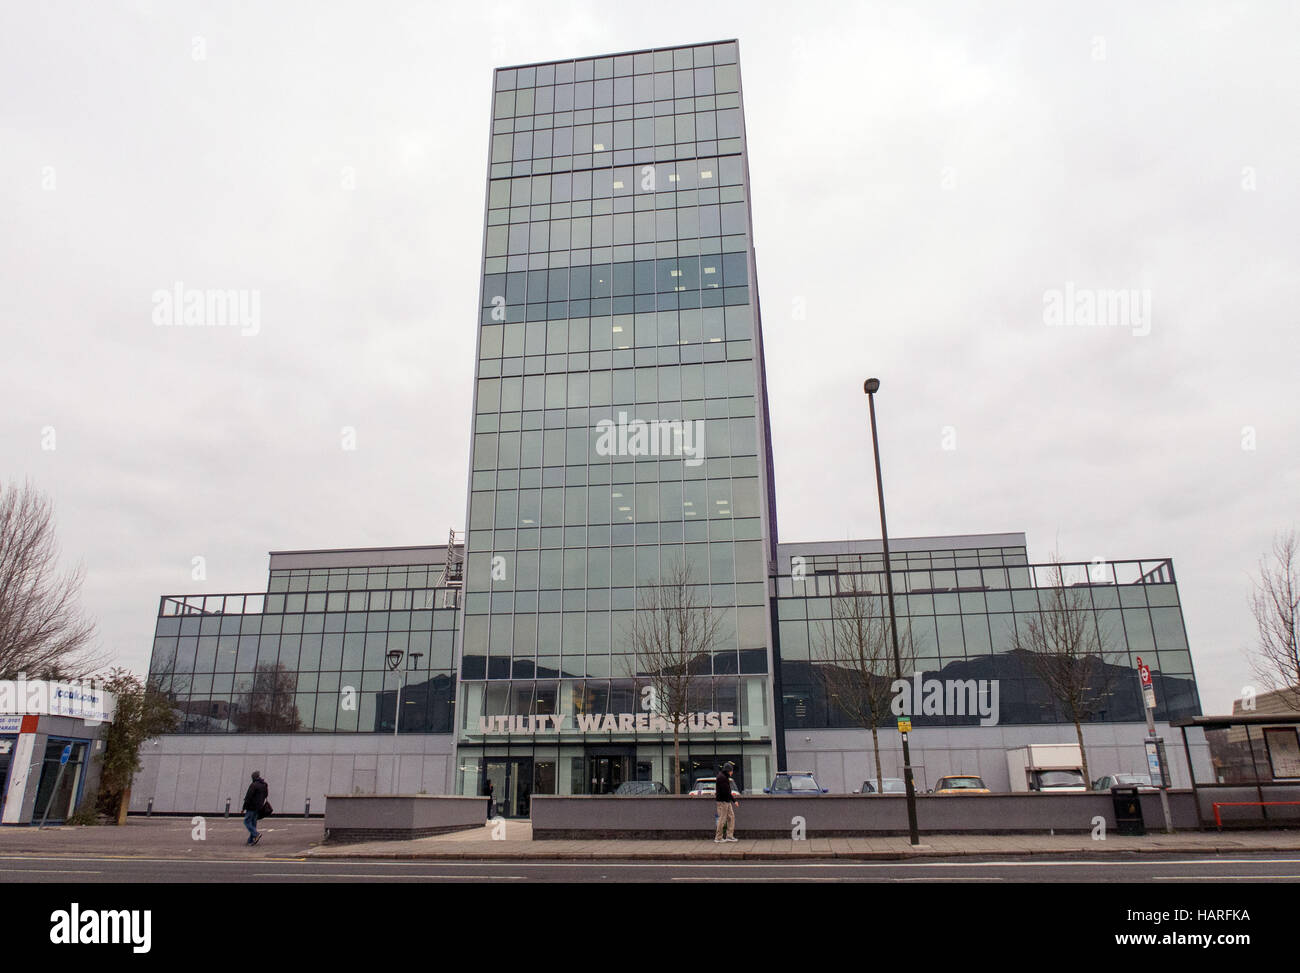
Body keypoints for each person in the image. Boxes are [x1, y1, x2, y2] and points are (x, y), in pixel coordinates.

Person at [714, 762, 739, 842]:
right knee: (722, 819)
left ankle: (729, 836)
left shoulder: (724, 777)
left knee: (731, 817)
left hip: (726, 801)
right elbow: (726, 791)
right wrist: (734, 800)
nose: (732, 773)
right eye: (731, 771)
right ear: (728, 771)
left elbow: (727, 791)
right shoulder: (722, 778)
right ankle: (718, 837)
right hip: (723, 801)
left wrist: (733, 801)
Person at [242, 771, 269, 845]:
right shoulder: (264, 785)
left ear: (253, 777)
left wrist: (243, 808)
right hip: (259, 807)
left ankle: (256, 834)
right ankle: (250, 840)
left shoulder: (253, 785)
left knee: (247, 821)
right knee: (253, 823)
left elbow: (248, 797)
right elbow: (266, 795)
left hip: (251, 807)